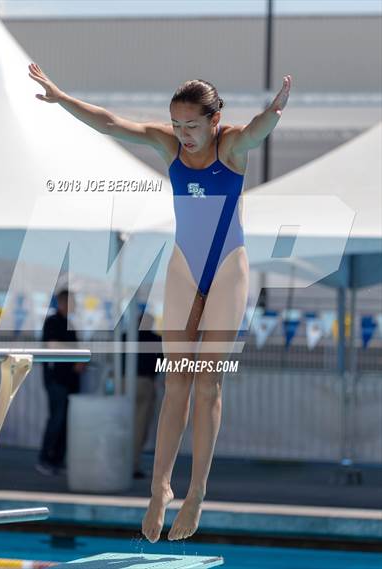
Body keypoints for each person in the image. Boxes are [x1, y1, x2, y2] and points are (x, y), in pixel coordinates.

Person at [28, 63, 291, 539]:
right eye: (175, 124)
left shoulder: (229, 147)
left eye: (191, 125)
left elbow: (256, 133)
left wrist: (273, 112)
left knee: (208, 386)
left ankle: (197, 494)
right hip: (183, 269)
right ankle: (159, 490)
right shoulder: (169, 148)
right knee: (176, 383)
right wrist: (62, 98)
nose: (182, 134)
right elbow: (110, 123)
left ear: (213, 121)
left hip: (228, 267)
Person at [36, 288, 86, 475]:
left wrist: (80, 360)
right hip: (56, 379)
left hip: (71, 381)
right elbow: (52, 344)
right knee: (56, 419)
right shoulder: (52, 322)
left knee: (66, 421)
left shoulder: (70, 324)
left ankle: (57, 460)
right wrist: (76, 356)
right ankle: (44, 459)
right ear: (62, 303)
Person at [122, 309, 163, 479]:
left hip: (124, 382)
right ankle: (132, 465)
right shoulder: (155, 340)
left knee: (122, 425)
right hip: (144, 383)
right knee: (139, 428)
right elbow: (161, 362)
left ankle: (120, 463)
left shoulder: (125, 337)